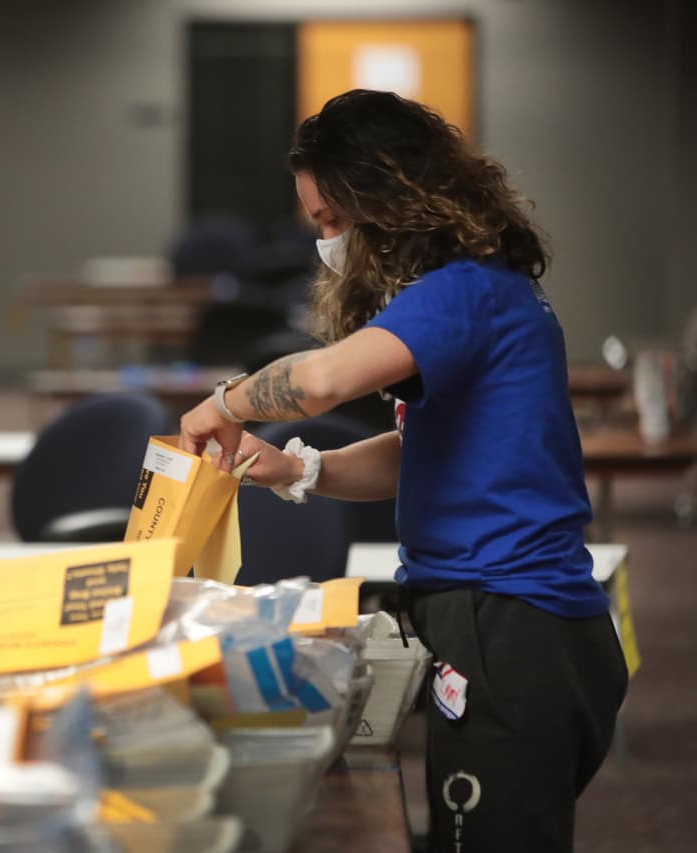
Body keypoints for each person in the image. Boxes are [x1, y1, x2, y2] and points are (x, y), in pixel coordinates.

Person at [180, 89, 627, 852]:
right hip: (518, 620)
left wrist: (227, 402)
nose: (325, 242)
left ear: (386, 200)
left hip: (509, 620)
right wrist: (298, 468)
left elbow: (322, 381)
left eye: (330, 220)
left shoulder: (464, 291)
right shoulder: (478, 290)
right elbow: (422, 452)